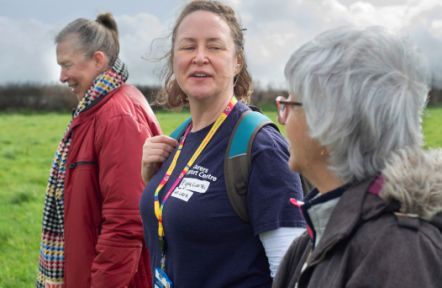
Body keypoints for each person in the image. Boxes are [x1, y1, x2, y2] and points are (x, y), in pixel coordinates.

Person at [139, 1, 305, 287]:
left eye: (214, 46)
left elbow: (290, 275)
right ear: (174, 58)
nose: (200, 57)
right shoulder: (179, 138)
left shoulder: (261, 147)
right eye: (188, 46)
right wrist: (152, 181)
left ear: (237, 60)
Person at [272, 26, 442, 288]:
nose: (281, 119)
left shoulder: (401, 251)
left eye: (290, 105)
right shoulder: (312, 240)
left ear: (329, 126)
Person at [36, 13, 161, 288]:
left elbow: (125, 223)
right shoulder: (97, 109)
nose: (61, 76)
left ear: (98, 60)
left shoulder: (117, 117)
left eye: (67, 65)